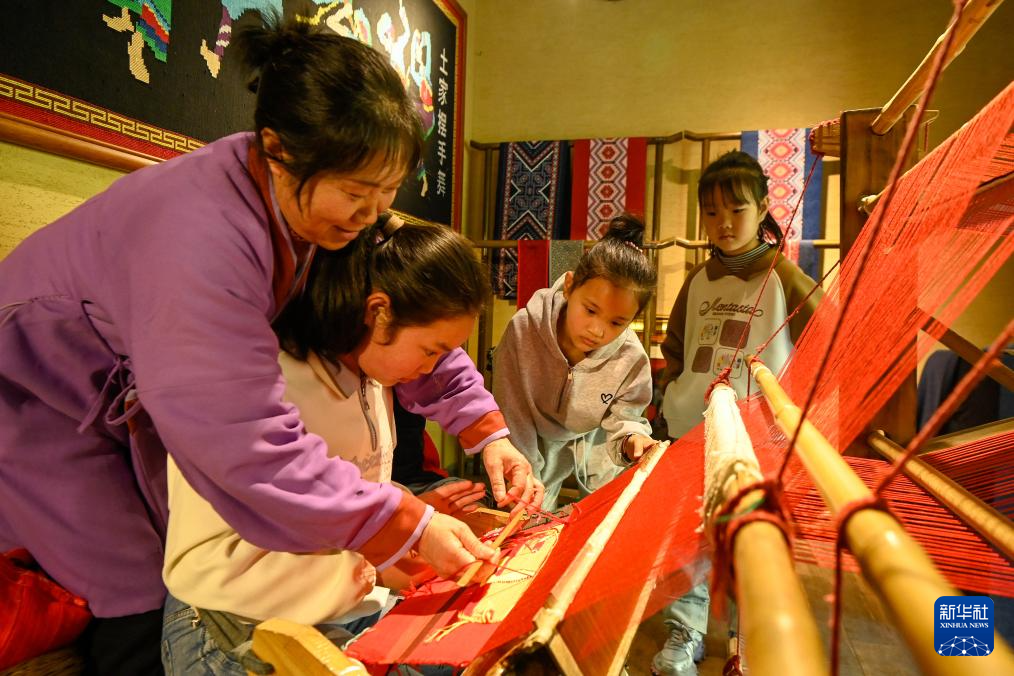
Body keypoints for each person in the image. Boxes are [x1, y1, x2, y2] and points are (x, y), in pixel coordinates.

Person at [0, 16, 536, 673]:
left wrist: (485, 430)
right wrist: (402, 525)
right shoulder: (201, 241)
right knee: (133, 587)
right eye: (357, 193)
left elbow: (412, 314)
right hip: (38, 398)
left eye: (387, 191)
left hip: (149, 394)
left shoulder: (321, 206)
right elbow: (242, 437)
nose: (373, 215)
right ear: (278, 149)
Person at [162, 222, 495, 674]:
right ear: (378, 312)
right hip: (232, 624)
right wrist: (389, 548)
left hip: (337, 605)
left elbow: (344, 486)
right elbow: (216, 560)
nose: (430, 368)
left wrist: (410, 520)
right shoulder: (260, 387)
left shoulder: (371, 373)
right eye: (430, 350)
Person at [654, 150, 823, 676]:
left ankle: (747, 642)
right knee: (686, 537)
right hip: (691, 427)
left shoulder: (785, 277)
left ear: (763, 208)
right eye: (711, 212)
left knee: (754, 538)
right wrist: (674, 394)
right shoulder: (697, 280)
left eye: (737, 210)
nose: (723, 223)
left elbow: (827, 342)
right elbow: (676, 348)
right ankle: (685, 631)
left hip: (760, 438)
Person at [493, 215, 660, 512]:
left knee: (603, 517)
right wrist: (525, 477)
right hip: (530, 437)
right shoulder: (524, 330)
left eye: (617, 322)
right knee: (527, 516)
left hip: (595, 441)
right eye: (590, 310)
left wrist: (632, 439)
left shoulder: (631, 358)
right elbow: (513, 412)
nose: (597, 331)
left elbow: (625, 419)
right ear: (569, 286)